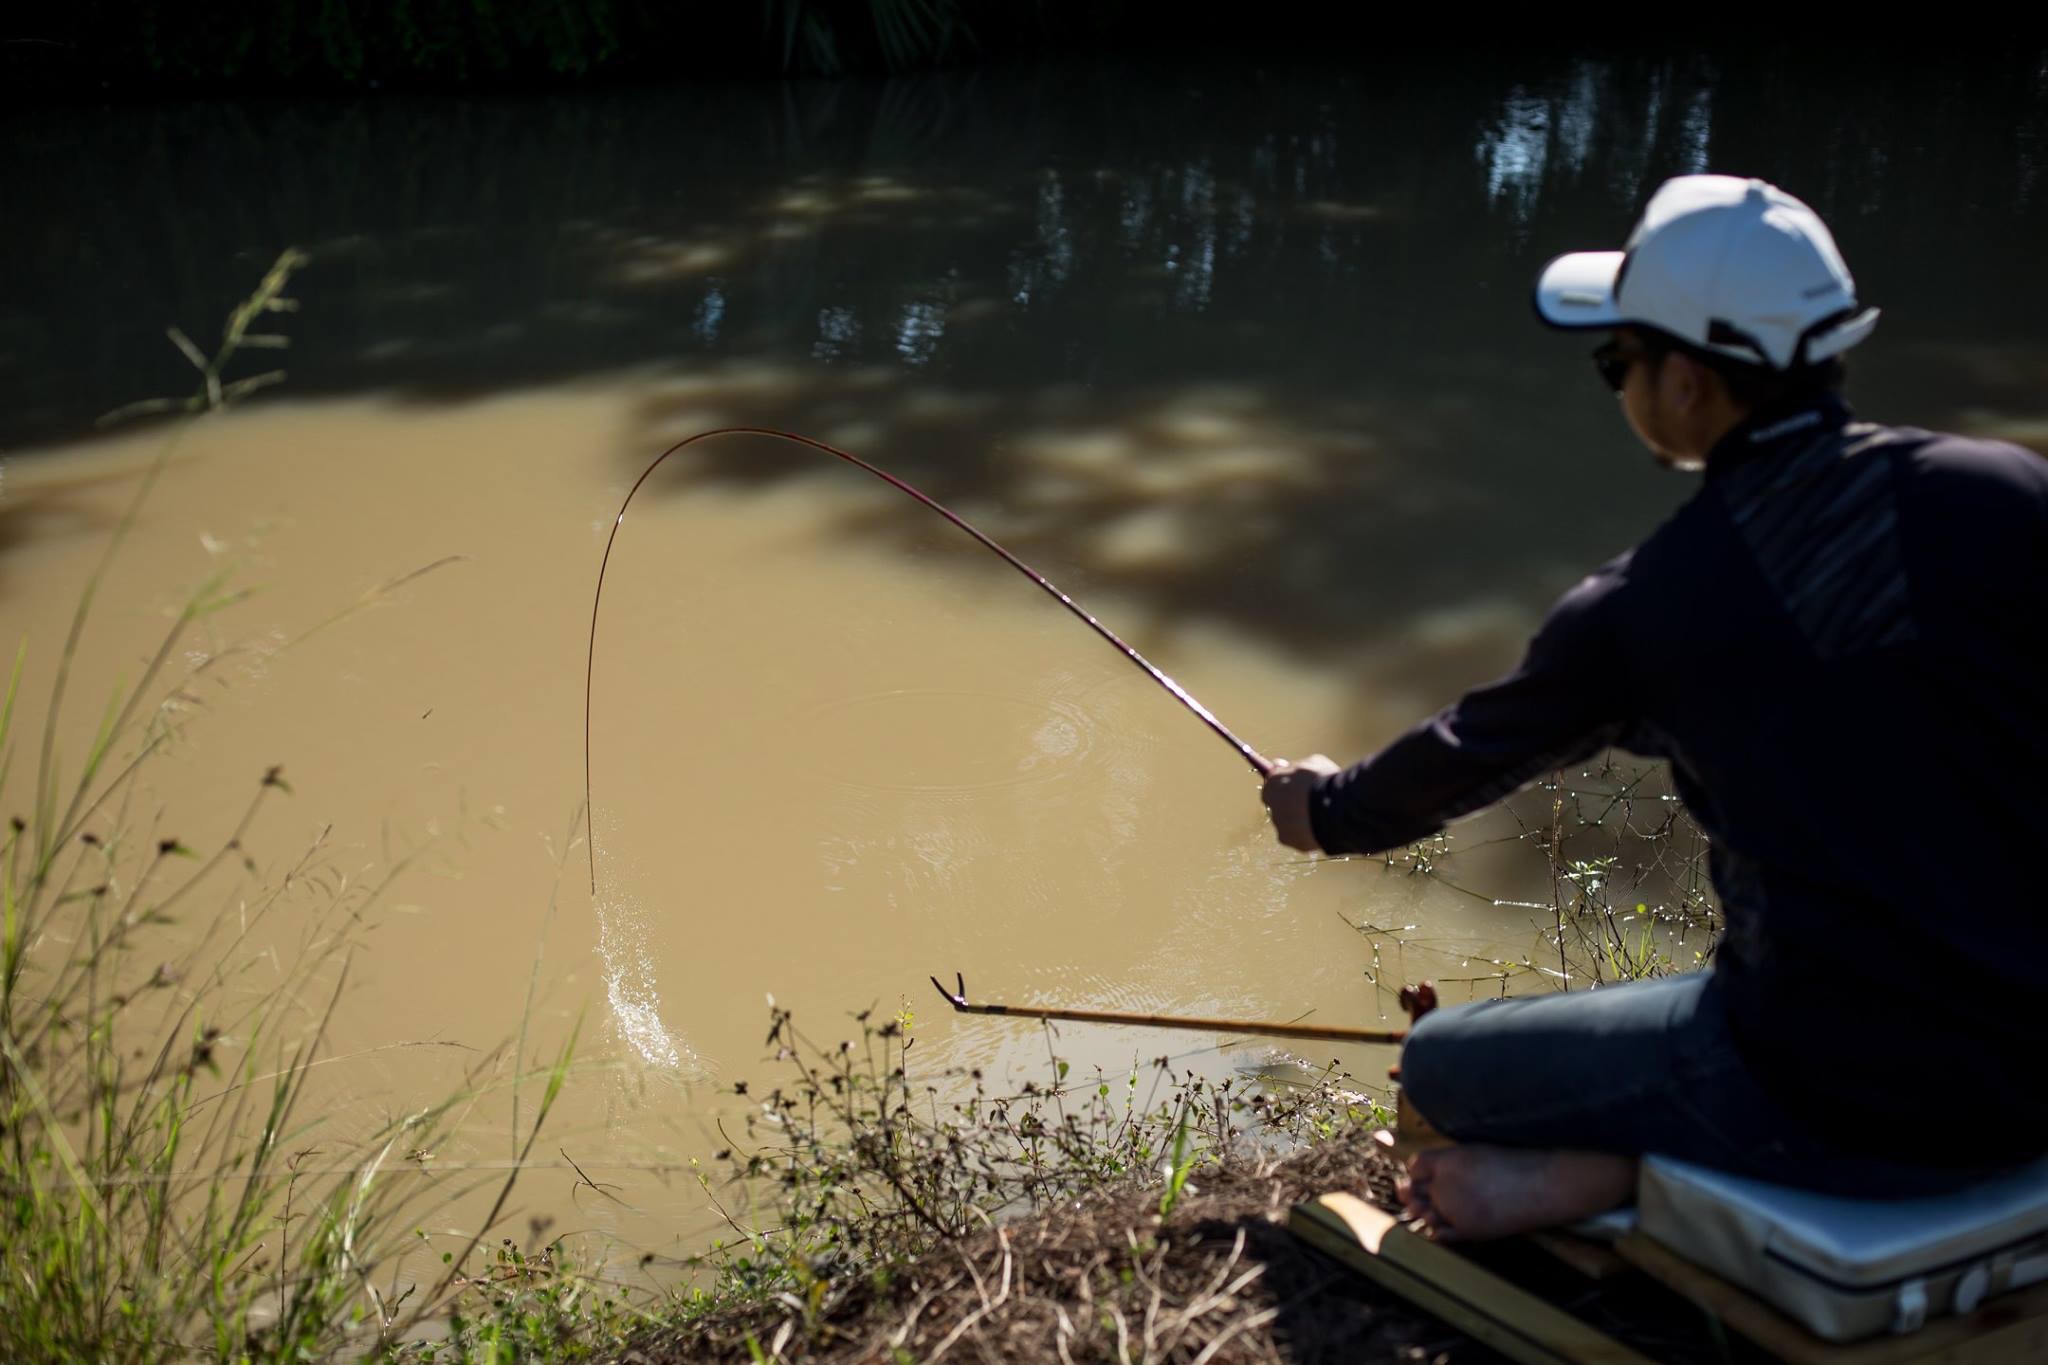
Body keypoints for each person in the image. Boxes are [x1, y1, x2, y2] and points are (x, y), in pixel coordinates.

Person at [1259, 174, 2048, 1241]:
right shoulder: (2003, 494)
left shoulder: (1652, 601)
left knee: (1444, 1063)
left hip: (1839, 1101)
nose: (1617, 383)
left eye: (1613, 362)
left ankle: (1610, 1179)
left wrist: (1327, 809)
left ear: (1682, 383)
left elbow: (1473, 748)